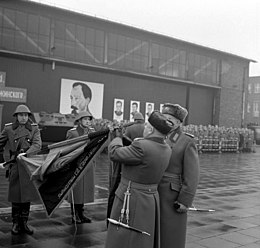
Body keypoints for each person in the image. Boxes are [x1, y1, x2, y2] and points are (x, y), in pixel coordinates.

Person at [105, 111, 173, 248]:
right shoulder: (166, 148)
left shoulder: (142, 146)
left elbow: (114, 153)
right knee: (142, 239)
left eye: (146, 126)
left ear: (151, 129)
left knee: (124, 237)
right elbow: (139, 154)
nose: (144, 128)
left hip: (131, 197)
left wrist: (117, 138)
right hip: (150, 198)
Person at [158, 103, 200, 248]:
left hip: (171, 196)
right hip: (153, 192)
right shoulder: (157, 135)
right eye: (164, 117)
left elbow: (192, 175)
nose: (165, 121)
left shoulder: (186, 141)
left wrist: (185, 200)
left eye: (170, 118)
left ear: (178, 122)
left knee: (170, 234)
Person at [0, 104, 42, 235]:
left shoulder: (34, 128)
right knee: (15, 194)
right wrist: (2, 161)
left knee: (27, 195)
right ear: (16, 116)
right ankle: (15, 223)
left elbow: (37, 144)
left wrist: (26, 153)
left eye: (26, 115)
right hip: (15, 165)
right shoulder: (9, 129)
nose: (23, 118)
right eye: (21, 115)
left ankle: (24, 222)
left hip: (28, 165)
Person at [66, 111, 95, 224]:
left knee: (83, 191)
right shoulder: (72, 133)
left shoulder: (92, 131)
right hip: (77, 164)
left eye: (89, 119)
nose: (88, 121)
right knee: (76, 190)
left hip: (87, 164)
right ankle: (74, 214)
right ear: (79, 120)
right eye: (85, 119)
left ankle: (81, 213)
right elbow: (68, 148)